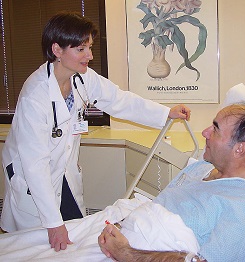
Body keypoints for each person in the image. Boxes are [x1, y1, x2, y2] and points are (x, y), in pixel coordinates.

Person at [0, 11, 191, 252]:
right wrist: (53, 224)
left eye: (89, 47)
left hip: (64, 173)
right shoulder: (35, 97)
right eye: (81, 49)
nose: (89, 55)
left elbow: (118, 100)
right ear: (57, 50)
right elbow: (35, 165)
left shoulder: (82, 78)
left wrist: (165, 113)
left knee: (73, 240)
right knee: (35, 247)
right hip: (33, 181)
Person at [99, 103, 245, 262]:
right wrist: (120, 227)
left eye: (215, 129)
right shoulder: (202, 168)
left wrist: (126, 253)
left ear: (240, 149)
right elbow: (160, 205)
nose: (205, 132)